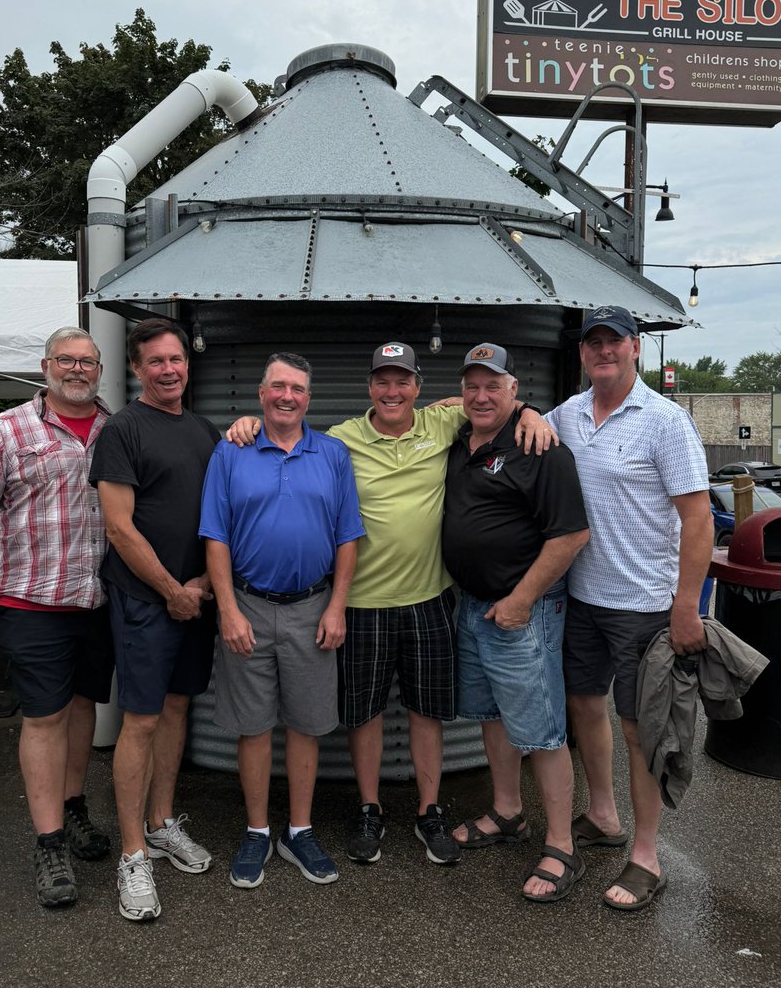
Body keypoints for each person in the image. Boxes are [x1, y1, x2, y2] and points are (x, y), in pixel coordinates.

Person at [227, 341, 555, 866]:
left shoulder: (442, 424)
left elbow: (482, 402)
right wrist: (248, 421)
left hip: (429, 599)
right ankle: (369, 808)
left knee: (427, 712)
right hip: (359, 603)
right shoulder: (340, 441)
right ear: (369, 388)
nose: (392, 390)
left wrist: (533, 411)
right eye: (382, 380)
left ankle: (429, 810)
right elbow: (289, 435)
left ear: (418, 389)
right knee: (365, 714)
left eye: (402, 380)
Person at [543, 305, 712, 911]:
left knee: (643, 729)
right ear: (583, 353)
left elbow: (698, 518)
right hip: (583, 598)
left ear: (636, 348)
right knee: (584, 706)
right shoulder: (566, 415)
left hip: (645, 606)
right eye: (594, 343)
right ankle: (604, 816)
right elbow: (507, 415)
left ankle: (645, 856)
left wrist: (686, 606)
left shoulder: (664, 420)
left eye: (614, 342)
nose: (603, 351)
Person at [0, 326, 114, 909]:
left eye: (87, 361)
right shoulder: (7, 430)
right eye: (66, 360)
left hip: (96, 603)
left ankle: (73, 811)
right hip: (29, 602)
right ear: (46, 366)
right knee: (43, 718)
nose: (77, 370)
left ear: (99, 369)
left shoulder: (114, 429)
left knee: (81, 708)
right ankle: (49, 846)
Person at [200, 353, 364, 889]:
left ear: (308, 399)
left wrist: (337, 606)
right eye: (278, 386)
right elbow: (215, 535)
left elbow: (347, 536)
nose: (287, 396)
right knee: (252, 726)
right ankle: (255, 832)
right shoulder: (231, 451)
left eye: (297, 388)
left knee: (307, 724)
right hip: (246, 605)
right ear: (262, 393)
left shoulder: (334, 454)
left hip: (313, 608)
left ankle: (298, 829)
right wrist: (226, 609)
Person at [442, 343, 590, 901]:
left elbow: (571, 534)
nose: (481, 396)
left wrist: (523, 599)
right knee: (492, 717)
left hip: (523, 613)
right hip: (474, 606)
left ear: (515, 391)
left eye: (493, 386)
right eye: (471, 386)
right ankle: (508, 812)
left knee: (543, 731)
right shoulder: (461, 439)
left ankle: (561, 847)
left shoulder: (542, 449)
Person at [90, 317, 220, 922]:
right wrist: (170, 589)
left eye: (176, 360)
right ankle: (133, 853)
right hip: (146, 600)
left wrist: (197, 587)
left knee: (175, 707)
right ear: (138, 370)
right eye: (156, 362)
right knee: (139, 719)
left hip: (194, 597)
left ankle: (163, 822)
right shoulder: (122, 431)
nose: (169, 370)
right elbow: (119, 527)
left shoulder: (204, 431)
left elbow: (221, 516)